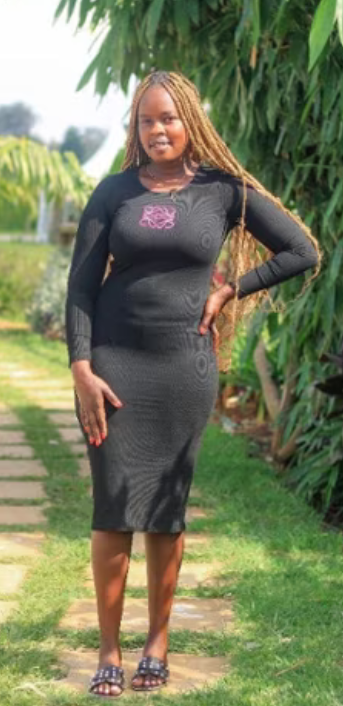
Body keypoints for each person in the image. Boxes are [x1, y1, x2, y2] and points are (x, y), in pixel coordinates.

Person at [64, 70, 320, 698]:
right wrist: (82, 369)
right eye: (147, 120)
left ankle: (157, 643)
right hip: (114, 363)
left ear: (191, 122)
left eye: (169, 118)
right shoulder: (113, 191)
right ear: (136, 127)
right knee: (113, 505)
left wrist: (232, 289)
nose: (158, 129)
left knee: (165, 508)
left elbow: (300, 250)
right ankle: (108, 650)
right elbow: (80, 287)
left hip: (184, 367)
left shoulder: (222, 190)